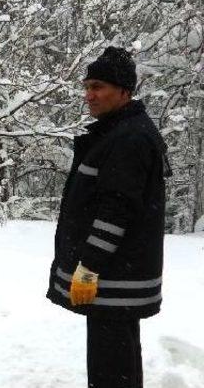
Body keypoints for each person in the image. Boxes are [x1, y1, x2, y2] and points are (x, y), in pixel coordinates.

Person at [46, 46, 171, 388]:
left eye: (98, 86)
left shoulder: (128, 138)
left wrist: (89, 266)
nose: (89, 95)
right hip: (118, 277)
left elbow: (117, 209)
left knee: (110, 367)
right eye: (87, 86)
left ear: (125, 91)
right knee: (120, 359)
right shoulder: (119, 131)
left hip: (113, 277)